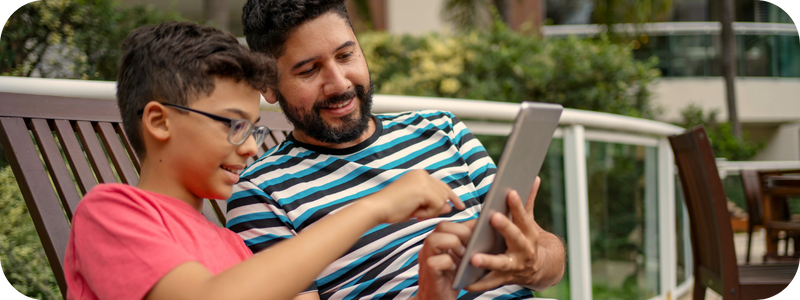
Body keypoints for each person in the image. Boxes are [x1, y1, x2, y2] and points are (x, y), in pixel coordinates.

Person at [63, 21, 467, 300]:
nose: (252, 148)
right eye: (234, 126)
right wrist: (373, 207)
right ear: (159, 121)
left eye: (254, 130)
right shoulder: (111, 213)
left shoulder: (235, 248)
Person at [227, 0, 567, 299]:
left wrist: (532, 262)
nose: (340, 83)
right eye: (309, 70)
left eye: (346, 55)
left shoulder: (441, 129)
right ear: (268, 86)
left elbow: (549, 258)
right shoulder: (260, 192)